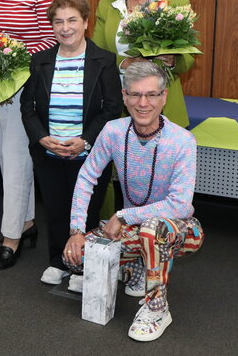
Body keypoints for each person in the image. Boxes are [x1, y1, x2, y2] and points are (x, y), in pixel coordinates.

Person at [62, 61, 204, 342]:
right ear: (124, 97)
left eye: (151, 95)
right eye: (135, 95)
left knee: (153, 228)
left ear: (163, 97)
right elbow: (87, 177)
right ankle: (139, 264)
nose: (143, 103)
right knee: (78, 259)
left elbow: (180, 205)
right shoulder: (113, 131)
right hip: (135, 228)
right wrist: (76, 230)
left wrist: (123, 216)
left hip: (182, 229)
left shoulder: (182, 140)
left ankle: (157, 308)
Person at [22, 0, 122, 283]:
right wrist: (41, 138)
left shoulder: (103, 61)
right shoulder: (39, 61)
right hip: (50, 153)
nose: (65, 28)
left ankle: (84, 266)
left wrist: (85, 140)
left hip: (88, 154)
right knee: (55, 209)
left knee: (87, 213)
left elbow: (111, 108)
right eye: (58, 22)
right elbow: (27, 108)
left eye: (72, 20)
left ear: (86, 23)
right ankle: (58, 260)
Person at [0, 0, 59, 269]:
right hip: (0, 89)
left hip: (28, 87)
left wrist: (16, 59)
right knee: (10, 158)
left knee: (14, 161)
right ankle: (26, 222)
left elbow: (54, 39)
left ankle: (11, 236)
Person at [92, 0, 195, 127]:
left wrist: (173, 61)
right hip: (118, 106)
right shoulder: (106, 7)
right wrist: (125, 62)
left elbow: (189, 60)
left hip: (164, 108)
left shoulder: (177, 6)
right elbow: (96, 57)